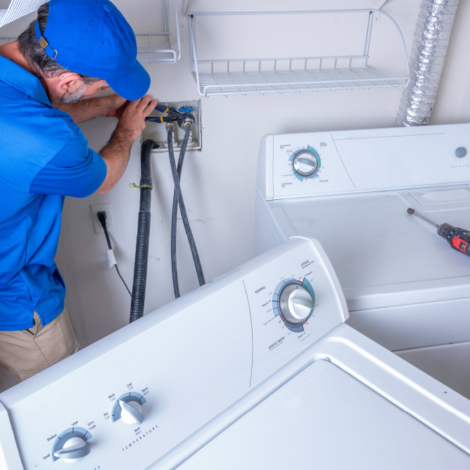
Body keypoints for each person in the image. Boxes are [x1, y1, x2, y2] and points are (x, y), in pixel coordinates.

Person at [0, 0, 157, 383]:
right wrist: (128, 131)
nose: (101, 92)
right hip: (16, 308)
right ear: (69, 82)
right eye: (99, 85)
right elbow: (102, 177)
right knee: (64, 410)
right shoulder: (52, 141)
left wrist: (105, 105)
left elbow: (33, 116)